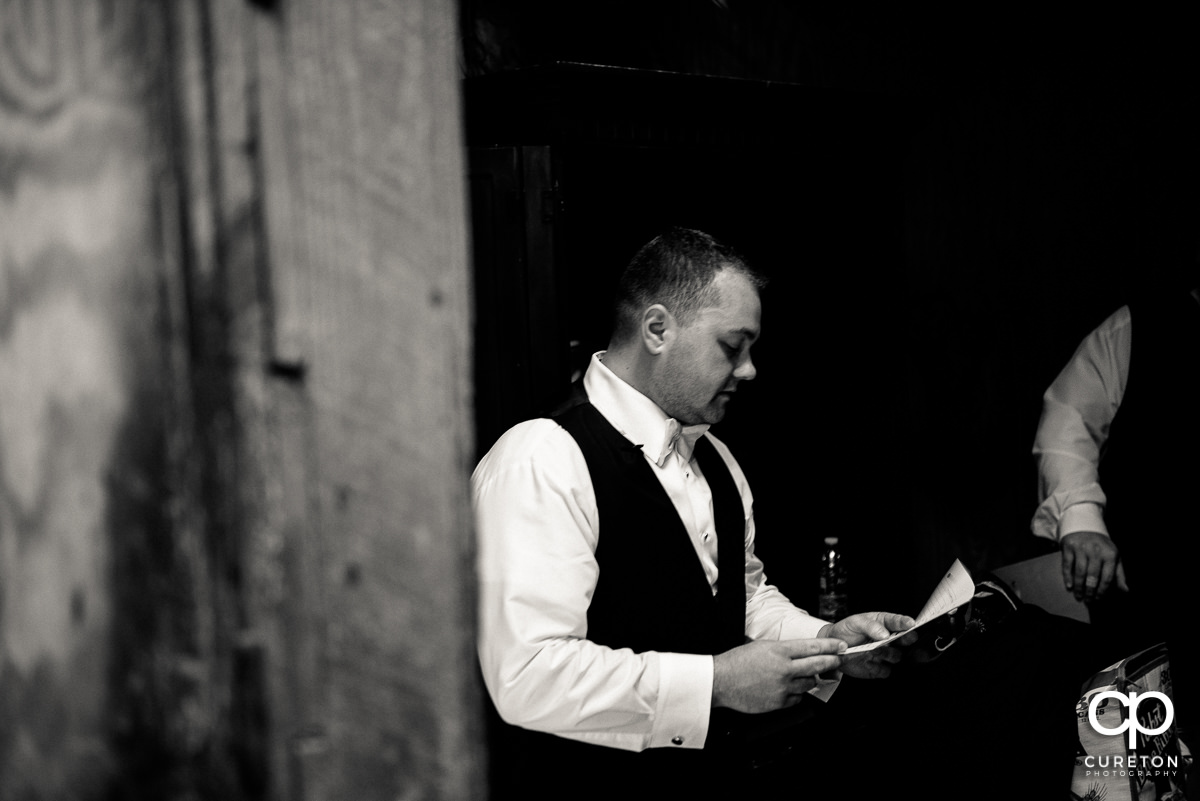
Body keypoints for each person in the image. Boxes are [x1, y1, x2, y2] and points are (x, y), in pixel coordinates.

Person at [475, 227, 1110, 800]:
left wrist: (826, 645)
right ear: (657, 329)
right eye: (733, 346)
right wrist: (716, 684)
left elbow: (743, 599)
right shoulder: (543, 457)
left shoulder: (715, 458)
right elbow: (526, 675)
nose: (750, 370)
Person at [1031, 274, 1200, 763]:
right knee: (1141, 759)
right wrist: (1080, 517)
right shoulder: (1140, 326)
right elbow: (1068, 419)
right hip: (1147, 598)